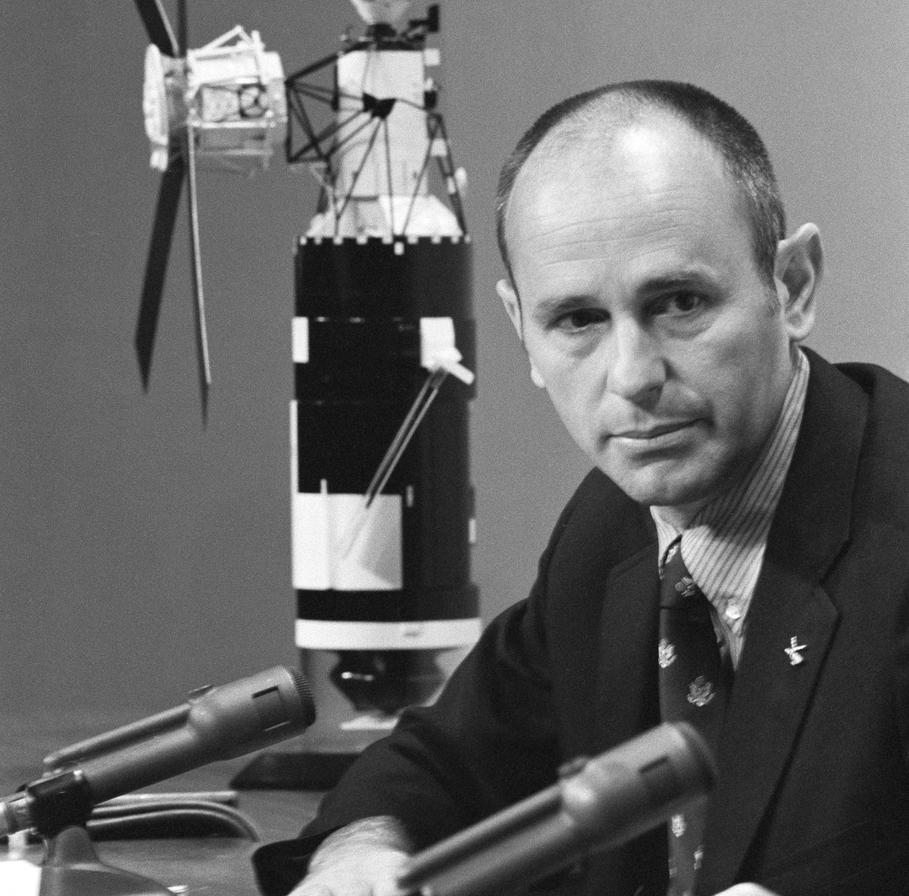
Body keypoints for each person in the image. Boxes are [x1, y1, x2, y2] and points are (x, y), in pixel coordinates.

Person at [254, 80, 909, 896]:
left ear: (793, 285)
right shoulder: (611, 528)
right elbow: (443, 760)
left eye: (678, 303)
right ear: (521, 330)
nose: (632, 378)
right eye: (577, 321)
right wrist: (359, 852)